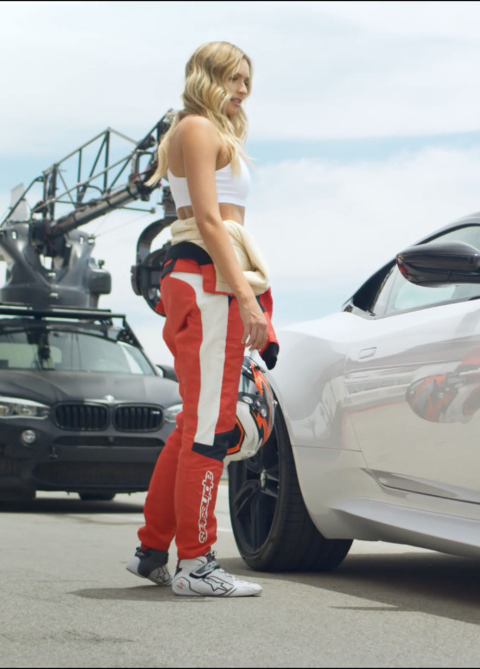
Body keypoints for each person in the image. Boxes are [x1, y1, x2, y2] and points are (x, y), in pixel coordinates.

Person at [125, 41, 276, 597]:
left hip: (208, 280)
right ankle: (197, 565)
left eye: (246, 84)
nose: (241, 92)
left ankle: (152, 549)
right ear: (208, 77)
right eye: (234, 80)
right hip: (208, 280)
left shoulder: (210, 131)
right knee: (211, 426)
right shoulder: (194, 128)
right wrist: (246, 297)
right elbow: (210, 221)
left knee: (194, 422)